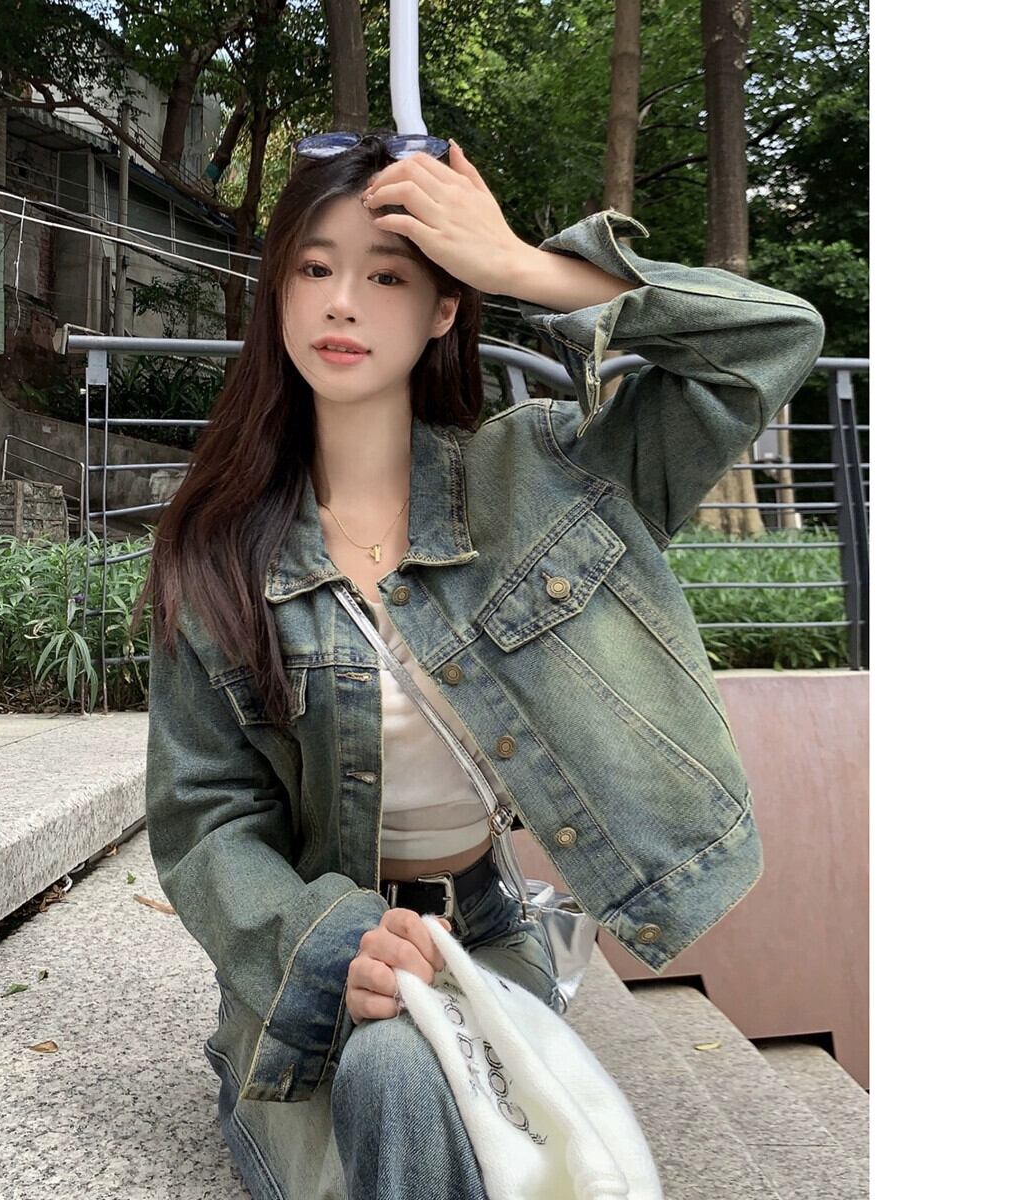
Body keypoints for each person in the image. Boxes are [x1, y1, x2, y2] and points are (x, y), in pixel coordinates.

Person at [137, 129, 825, 1200]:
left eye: (387, 275)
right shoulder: (217, 549)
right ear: (277, 293)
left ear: (444, 306)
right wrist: (332, 944)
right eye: (313, 268)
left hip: (485, 937)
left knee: (415, 1079)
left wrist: (522, 267)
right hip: (313, 966)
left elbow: (772, 339)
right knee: (396, 1073)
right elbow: (205, 814)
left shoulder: (547, 477)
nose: (342, 303)